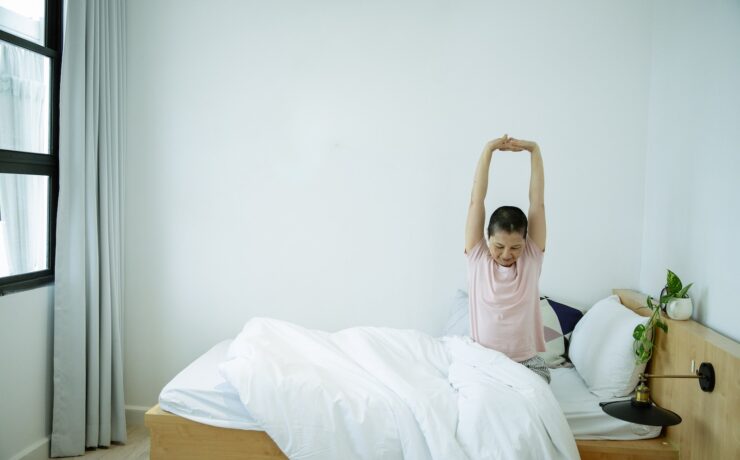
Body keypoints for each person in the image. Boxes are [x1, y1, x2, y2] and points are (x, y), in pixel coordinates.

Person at [464, 134, 550, 383]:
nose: (506, 255)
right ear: (487, 238)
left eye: (515, 247)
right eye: (499, 246)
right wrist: (488, 150)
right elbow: (475, 202)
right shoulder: (478, 256)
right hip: (483, 360)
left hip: (525, 362)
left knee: (530, 397)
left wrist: (535, 151)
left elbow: (538, 204)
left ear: (526, 242)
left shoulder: (532, 258)